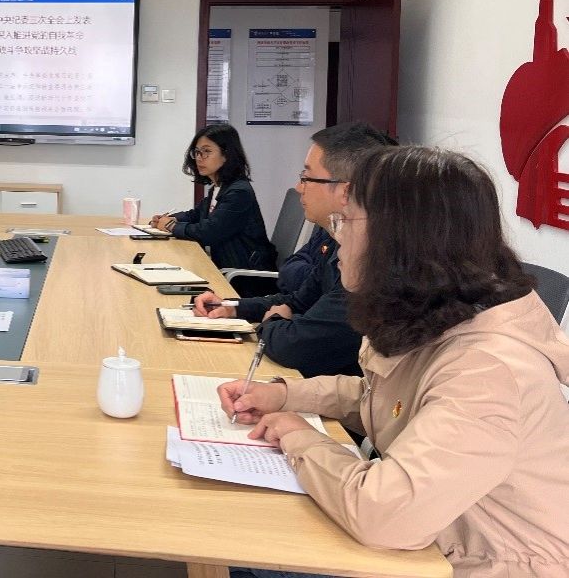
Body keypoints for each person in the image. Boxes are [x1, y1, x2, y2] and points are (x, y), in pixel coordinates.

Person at [220, 146, 569, 578]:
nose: (336, 237)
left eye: (345, 220)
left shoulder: (487, 370)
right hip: (438, 541)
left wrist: (299, 438)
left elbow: (384, 515)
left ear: (400, 240)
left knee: (252, 551)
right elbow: (385, 399)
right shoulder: (435, 314)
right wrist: (286, 395)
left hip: (494, 565)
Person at [192, 123, 395, 378]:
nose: (299, 187)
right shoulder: (333, 239)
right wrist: (232, 307)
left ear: (345, 190)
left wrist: (273, 321)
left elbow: (295, 345)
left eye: (306, 177)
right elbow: (298, 301)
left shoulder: (374, 260)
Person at [148, 124, 276, 288]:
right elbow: (195, 215)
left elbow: (209, 232)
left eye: (207, 151)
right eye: (197, 152)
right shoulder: (219, 187)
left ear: (227, 154)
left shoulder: (239, 192)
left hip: (244, 279)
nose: (199, 158)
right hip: (224, 268)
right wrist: (169, 219)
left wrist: (171, 226)